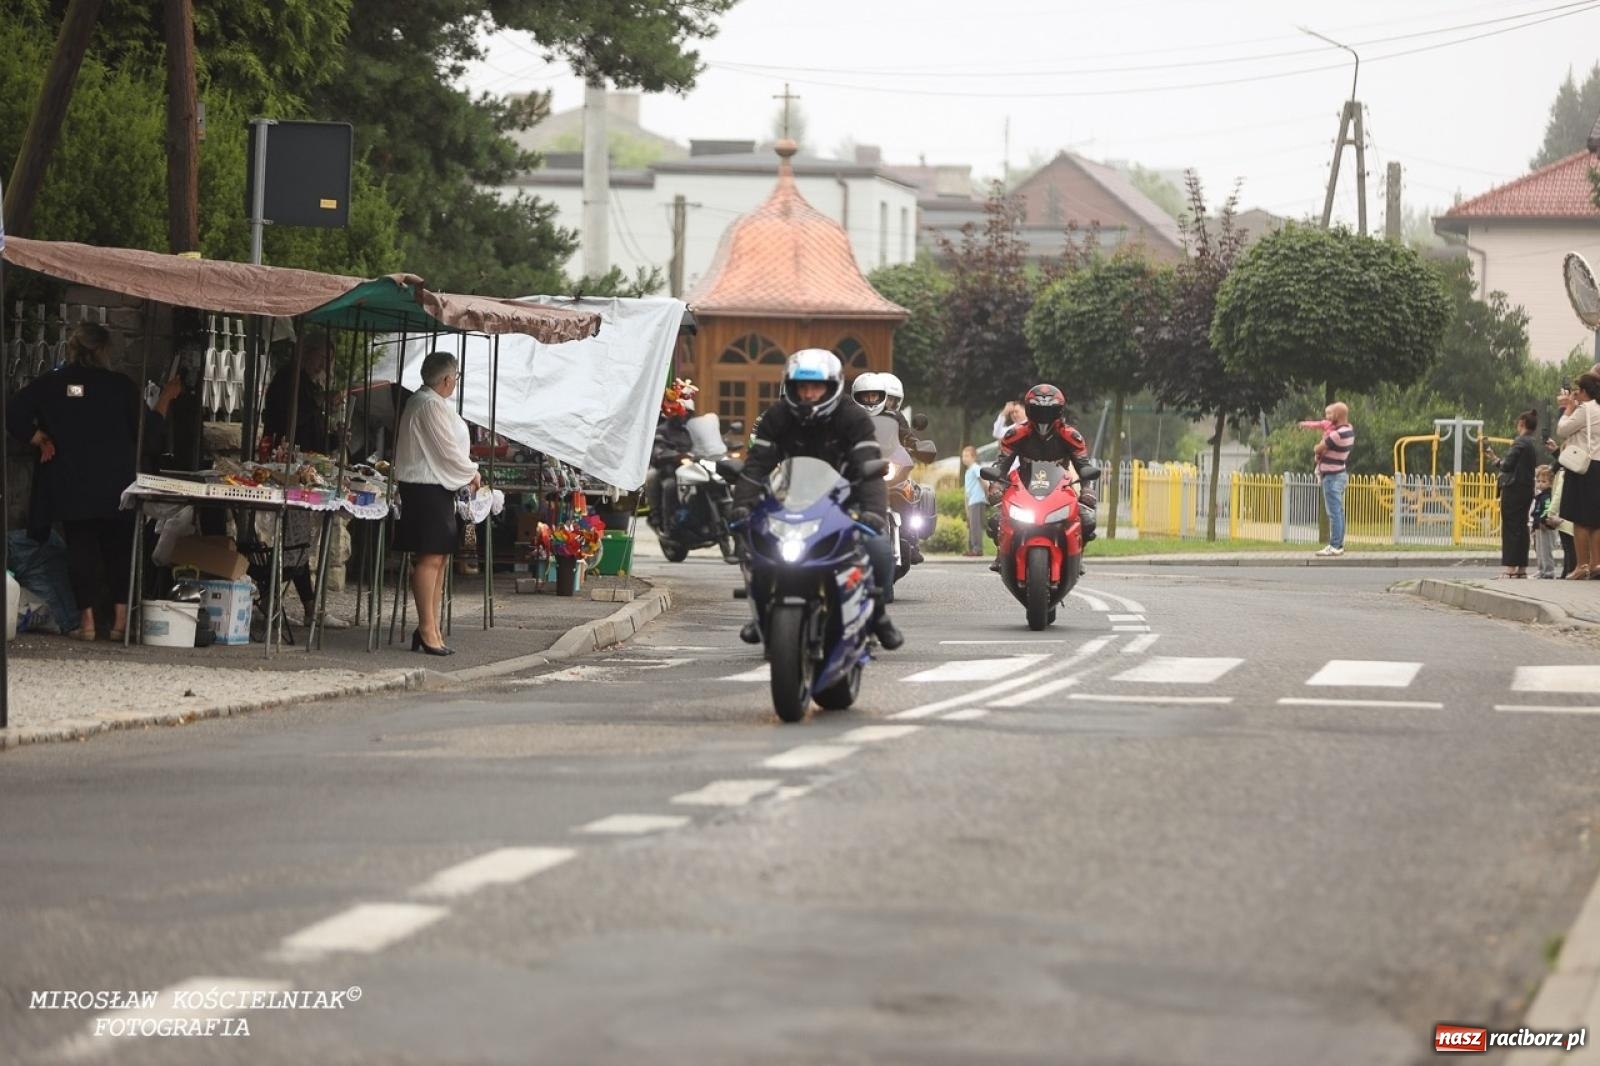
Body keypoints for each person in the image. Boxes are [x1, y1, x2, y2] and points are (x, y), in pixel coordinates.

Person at [7, 322, 181, 640]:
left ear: (73, 348)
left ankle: (86, 624)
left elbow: (14, 410)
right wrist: (166, 398)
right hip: (117, 486)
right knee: (119, 551)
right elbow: (150, 438)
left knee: (80, 550)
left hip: (71, 485)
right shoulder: (121, 387)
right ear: (104, 351)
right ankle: (119, 625)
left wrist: (38, 438)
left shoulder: (54, 383)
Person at [730, 348, 902, 650]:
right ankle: (762, 613)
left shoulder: (853, 417)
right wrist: (742, 505)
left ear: (832, 386)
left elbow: (869, 468)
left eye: (816, 386)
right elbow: (756, 465)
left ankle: (878, 614)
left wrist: (874, 511)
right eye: (802, 387)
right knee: (756, 550)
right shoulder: (776, 417)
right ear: (792, 387)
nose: (808, 393)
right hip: (787, 501)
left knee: (876, 547)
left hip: (844, 500)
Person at [393, 351, 481, 654]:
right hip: (425, 487)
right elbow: (445, 451)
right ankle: (427, 628)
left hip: (434, 487)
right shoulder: (428, 404)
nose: (455, 383)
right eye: (455, 378)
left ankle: (431, 626)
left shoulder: (430, 402)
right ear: (447, 379)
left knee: (439, 557)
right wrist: (472, 472)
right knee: (430, 558)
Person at [261, 332, 347, 627]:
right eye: (322, 359)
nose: (324, 366)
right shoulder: (291, 383)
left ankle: (299, 604)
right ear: (306, 353)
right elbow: (300, 423)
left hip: (300, 465)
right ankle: (296, 604)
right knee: (296, 542)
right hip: (288, 468)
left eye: (328, 361)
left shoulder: (304, 383)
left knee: (298, 542)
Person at [985, 384, 1096, 569]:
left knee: (1087, 520)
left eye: (1049, 411)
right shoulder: (1015, 434)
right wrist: (995, 486)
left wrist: (1087, 489)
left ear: (1059, 411)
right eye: (1038, 410)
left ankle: (1077, 558)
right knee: (996, 519)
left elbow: (1084, 466)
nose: (1043, 416)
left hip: (1061, 488)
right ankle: (1001, 554)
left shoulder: (1071, 436)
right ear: (1029, 410)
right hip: (1023, 487)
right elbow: (1001, 464)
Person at [1554, 372, 1600, 579]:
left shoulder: (1584, 410)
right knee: (1596, 519)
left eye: (1577, 391)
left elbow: (1562, 430)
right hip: (1599, 466)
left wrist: (1568, 409)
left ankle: (1581, 565)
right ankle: (1596, 563)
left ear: (1583, 391)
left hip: (1583, 467)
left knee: (1580, 519)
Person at [1486, 409, 1539, 578]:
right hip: (1526, 489)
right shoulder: (1531, 444)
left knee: (1510, 528)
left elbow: (1507, 465)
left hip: (1513, 489)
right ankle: (1521, 568)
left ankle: (1509, 567)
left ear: (1522, 424)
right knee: (1522, 527)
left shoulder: (1519, 442)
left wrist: (1494, 459)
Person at [646, 379, 698, 535]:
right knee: (668, 485)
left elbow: (704, 443)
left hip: (693, 471)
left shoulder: (691, 430)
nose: (684, 416)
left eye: (687, 413)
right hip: (670, 470)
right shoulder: (662, 430)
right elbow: (657, 451)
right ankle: (666, 524)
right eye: (681, 412)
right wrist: (672, 455)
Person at [1313, 402, 1354, 557]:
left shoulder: (1337, 434)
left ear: (1337, 415)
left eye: (1330, 414)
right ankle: (1338, 544)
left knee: (1334, 512)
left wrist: (1317, 447)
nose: (1327, 417)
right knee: (1338, 511)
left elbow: (1318, 448)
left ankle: (1335, 545)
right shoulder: (1349, 430)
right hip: (1340, 472)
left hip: (1332, 475)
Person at [1531, 465, 1560, 579]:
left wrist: (1543, 520)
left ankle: (1548, 571)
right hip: (1538, 525)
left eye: (1543, 481)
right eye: (1538, 481)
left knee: (1546, 549)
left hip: (1545, 526)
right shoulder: (1540, 495)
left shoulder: (1548, 496)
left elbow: (1547, 509)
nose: (1540, 484)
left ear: (1551, 483)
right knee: (1539, 549)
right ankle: (1541, 569)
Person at [961, 445, 986, 557]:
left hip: (977, 500)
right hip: (971, 501)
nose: (964, 458)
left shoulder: (976, 467)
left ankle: (977, 548)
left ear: (973, 457)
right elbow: (966, 490)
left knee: (976, 526)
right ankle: (972, 548)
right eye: (963, 456)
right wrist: (966, 506)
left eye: (967, 456)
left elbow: (983, 480)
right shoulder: (968, 471)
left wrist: (988, 493)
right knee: (971, 525)